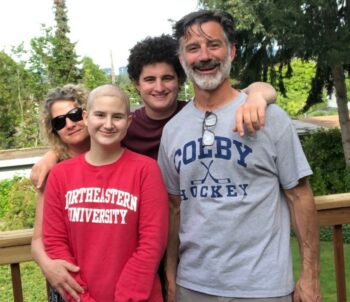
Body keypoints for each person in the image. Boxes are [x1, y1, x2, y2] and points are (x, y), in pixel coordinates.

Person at [31, 35, 277, 300]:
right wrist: (53, 155)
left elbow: (251, 92)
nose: (159, 87)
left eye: (167, 78)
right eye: (150, 79)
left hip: (194, 257)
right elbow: (90, 143)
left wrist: (257, 97)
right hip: (141, 266)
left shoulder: (195, 118)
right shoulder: (120, 130)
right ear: (137, 85)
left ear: (180, 79)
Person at [157, 10, 322, 302]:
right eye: (193, 48)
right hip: (193, 286)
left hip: (263, 288)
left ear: (231, 51)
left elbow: (300, 197)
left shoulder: (271, 118)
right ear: (182, 60)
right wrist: (171, 278)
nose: (204, 56)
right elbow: (173, 208)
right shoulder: (173, 131)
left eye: (214, 45)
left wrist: (310, 275)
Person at [43, 84, 168, 301]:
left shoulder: (146, 170)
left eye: (117, 117)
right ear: (86, 117)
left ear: (128, 121)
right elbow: (55, 242)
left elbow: (152, 243)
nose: (108, 124)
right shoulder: (60, 175)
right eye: (100, 115)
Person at [31, 84, 90, 302]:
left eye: (74, 115)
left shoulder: (114, 154)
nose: (70, 124)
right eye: (59, 121)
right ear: (54, 129)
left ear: (87, 113)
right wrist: (49, 267)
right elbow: (37, 240)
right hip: (70, 284)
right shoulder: (53, 173)